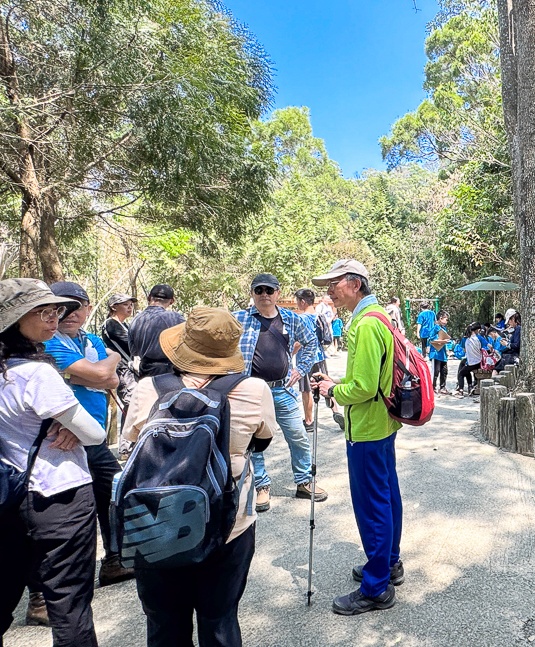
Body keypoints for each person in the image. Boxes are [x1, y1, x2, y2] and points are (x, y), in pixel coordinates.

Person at [122, 307, 274, 647]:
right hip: (228, 523)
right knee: (219, 620)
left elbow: (130, 442)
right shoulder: (253, 389)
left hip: (156, 520)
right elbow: (262, 441)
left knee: (164, 624)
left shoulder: (149, 388)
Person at [0, 278, 106, 647]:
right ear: (14, 321)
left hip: (10, 495)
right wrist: (73, 428)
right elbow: (94, 433)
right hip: (60, 495)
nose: (52, 319)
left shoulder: (6, 369)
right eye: (40, 312)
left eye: (55, 311)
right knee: (70, 604)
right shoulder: (38, 373)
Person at [311, 259, 402, 616]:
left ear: (353, 283)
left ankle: (376, 587)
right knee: (387, 493)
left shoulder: (364, 324)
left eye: (334, 283)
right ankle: (389, 564)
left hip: (365, 427)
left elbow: (362, 387)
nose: (329, 290)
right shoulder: (380, 315)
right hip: (384, 422)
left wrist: (333, 388)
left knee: (372, 504)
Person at [42, 281, 134, 589]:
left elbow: (110, 379)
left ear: (88, 309)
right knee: (58, 510)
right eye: (60, 307)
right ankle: (44, 593)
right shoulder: (48, 342)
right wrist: (102, 369)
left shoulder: (89, 338)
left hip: (91, 435)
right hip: (60, 437)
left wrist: (107, 366)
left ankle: (114, 560)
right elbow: (99, 375)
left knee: (112, 491)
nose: (68, 314)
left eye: (75, 306)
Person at [234, 274, 326, 512]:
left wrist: (301, 369)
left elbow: (311, 343)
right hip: (251, 392)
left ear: (277, 293)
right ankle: (261, 486)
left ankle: (304, 481)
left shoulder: (292, 319)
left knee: (298, 436)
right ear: (253, 293)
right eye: (259, 290)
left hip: (281, 389)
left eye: (269, 290)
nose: (264, 294)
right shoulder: (240, 319)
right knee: (253, 443)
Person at [129, 284, 185, 377]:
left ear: (149, 297)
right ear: (172, 301)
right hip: (170, 373)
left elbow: (133, 351)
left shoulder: (136, 320)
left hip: (145, 373)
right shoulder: (176, 319)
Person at [293, 288, 328, 431]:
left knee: (306, 390)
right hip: (320, 356)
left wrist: (290, 353)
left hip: (306, 358)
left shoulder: (302, 318)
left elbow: (300, 341)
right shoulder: (319, 315)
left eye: (297, 301)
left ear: (302, 301)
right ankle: (336, 411)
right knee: (325, 383)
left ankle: (308, 421)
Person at [100, 293, 137, 417]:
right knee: (132, 404)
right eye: (125, 304)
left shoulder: (126, 325)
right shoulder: (111, 324)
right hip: (122, 369)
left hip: (131, 369)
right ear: (113, 307)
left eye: (131, 305)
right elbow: (131, 344)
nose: (129, 307)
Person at [456, 323, 485, 397]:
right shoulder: (479, 337)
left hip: (473, 362)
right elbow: (488, 346)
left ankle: (461, 390)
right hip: (480, 361)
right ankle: (470, 386)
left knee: (461, 373)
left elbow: (464, 351)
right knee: (465, 368)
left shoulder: (465, 339)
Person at [429, 311, 450, 394]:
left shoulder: (443, 329)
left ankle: (442, 387)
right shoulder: (434, 328)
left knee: (444, 370)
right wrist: (442, 341)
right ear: (440, 319)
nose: (446, 322)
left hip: (443, 353)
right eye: (445, 319)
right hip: (435, 353)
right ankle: (432, 387)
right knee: (436, 371)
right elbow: (431, 340)